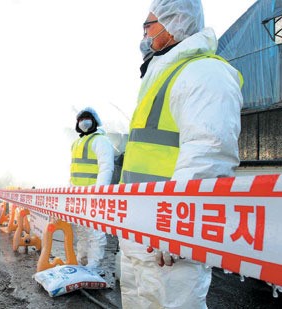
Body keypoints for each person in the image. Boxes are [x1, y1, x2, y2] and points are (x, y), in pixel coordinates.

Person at [119, 0, 243, 308]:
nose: (145, 34)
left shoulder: (204, 73)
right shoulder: (160, 77)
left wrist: (177, 227)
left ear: (173, 23)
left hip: (168, 241)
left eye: (149, 25)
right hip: (138, 232)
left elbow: (209, 154)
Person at [70, 107, 114, 273]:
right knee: (81, 231)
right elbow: (74, 171)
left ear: (95, 120)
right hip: (78, 195)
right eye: (81, 119)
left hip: (93, 195)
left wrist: (98, 193)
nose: (84, 121)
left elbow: (106, 167)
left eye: (87, 118)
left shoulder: (100, 140)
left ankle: (94, 267)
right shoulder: (77, 143)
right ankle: (82, 262)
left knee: (95, 232)